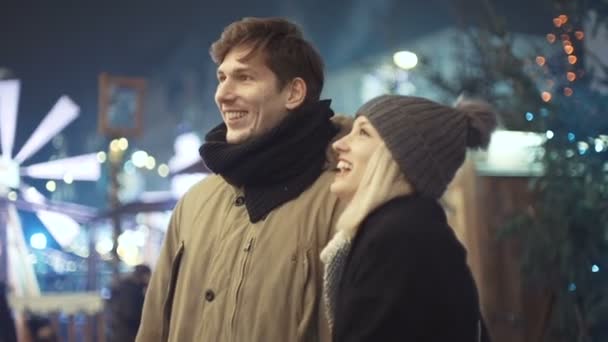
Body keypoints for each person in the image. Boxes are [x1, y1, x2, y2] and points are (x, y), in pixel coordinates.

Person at [136, 17, 348, 341]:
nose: (223, 94)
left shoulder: (339, 200)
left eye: (244, 78)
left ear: (293, 93)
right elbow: (153, 328)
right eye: (221, 78)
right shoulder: (194, 203)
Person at [321, 94, 496, 341]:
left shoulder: (399, 239)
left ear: (400, 159)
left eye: (363, 133)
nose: (339, 144)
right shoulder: (406, 229)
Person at [107, 264, 151, 342]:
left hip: (120, 332)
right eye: (148, 276)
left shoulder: (127, 287)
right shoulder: (131, 290)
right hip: (127, 334)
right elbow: (131, 313)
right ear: (143, 276)